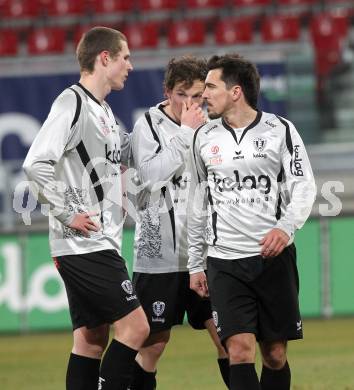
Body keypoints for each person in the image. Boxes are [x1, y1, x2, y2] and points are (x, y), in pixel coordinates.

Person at [23, 27, 150, 390]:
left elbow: (126, 156)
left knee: (91, 340)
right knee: (136, 326)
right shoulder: (72, 103)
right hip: (84, 243)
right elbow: (36, 164)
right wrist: (67, 212)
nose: (130, 64)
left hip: (98, 241)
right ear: (104, 58)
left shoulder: (104, 111)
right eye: (125, 56)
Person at [188, 54, 316, 390]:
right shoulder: (203, 137)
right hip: (225, 261)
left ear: (235, 91)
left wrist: (285, 227)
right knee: (239, 350)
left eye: (211, 87)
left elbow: (304, 187)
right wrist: (194, 264)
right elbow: (196, 203)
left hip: (272, 258)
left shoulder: (281, 130)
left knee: (274, 354)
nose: (204, 95)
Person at [128, 56, 229, 389]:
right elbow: (151, 176)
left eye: (197, 94)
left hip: (207, 255)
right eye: (182, 94)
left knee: (230, 340)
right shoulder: (148, 124)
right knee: (154, 345)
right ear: (167, 91)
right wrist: (186, 133)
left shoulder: (214, 125)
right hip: (160, 259)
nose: (190, 103)